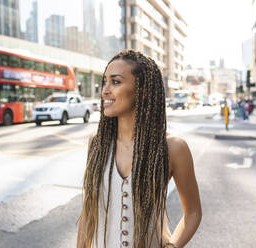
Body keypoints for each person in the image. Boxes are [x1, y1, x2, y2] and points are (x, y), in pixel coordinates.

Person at [77, 50, 202, 248]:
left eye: (116, 82)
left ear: (142, 90)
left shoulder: (173, 148)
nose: (105, 91)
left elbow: (193, 212)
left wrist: (172, 247)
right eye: (104, 82)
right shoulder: (97, 143)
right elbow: (88, 211)